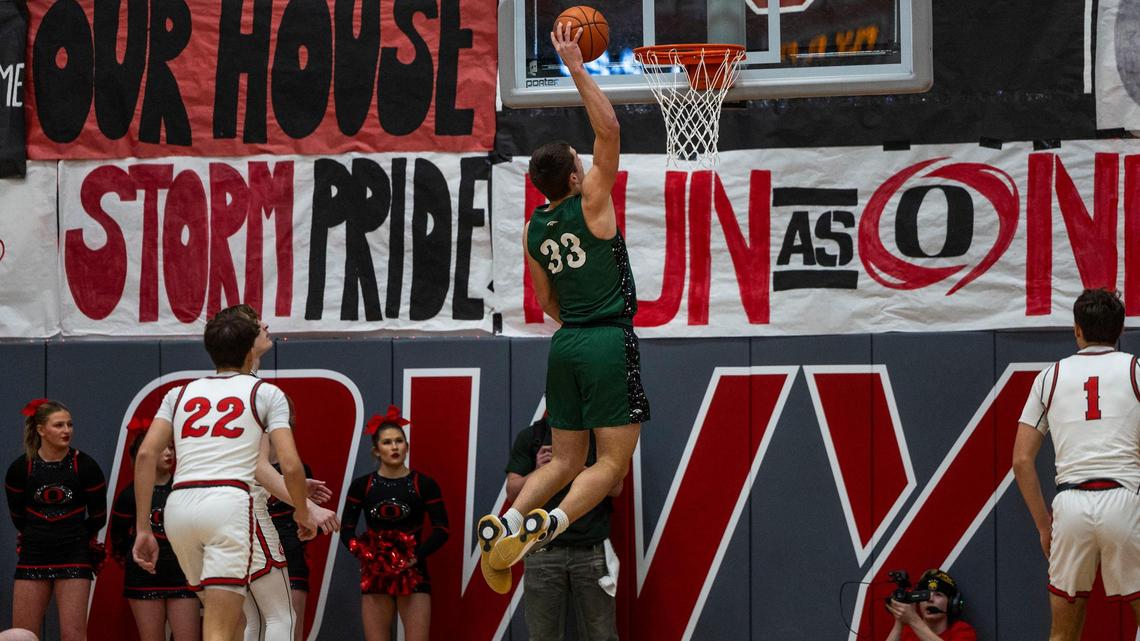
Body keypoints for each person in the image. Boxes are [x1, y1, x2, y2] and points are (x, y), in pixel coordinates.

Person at [478, 19, 649, 594]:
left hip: (566, 342)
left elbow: (545, 300)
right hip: (605, 339)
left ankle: (505, 523)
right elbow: (611, 128)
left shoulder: (534, 226)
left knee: (561, 460)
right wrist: (577, 65)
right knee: (611, 464)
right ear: (576, 175)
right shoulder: (592, 200)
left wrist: (577, 319)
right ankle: (549, 523)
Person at [132, 309, 315, 641]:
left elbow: (146, 454)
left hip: (179, 509)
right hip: (229, 505)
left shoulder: (178, 393)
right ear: (249, 348)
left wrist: (143, 528)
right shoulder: (265, 393)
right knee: (250, 622)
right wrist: (303, 512)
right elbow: (290, 464)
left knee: (232, 624)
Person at [1013, 288, 1140, 640]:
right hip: (1126, 500)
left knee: (1063, 632)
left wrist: (1043, 525)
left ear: (1077, 330)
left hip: (1069, 506)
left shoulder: (1048, 379)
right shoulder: (1136, 370)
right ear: (1120, 332)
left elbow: (1022, 460)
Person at [505, 413, 622, 641]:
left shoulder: (599, 437)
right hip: (541, 551)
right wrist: (540, 471)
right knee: (542, 637)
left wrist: (574, 468)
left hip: (591, 551)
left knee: (602, 635)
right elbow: (512, 492)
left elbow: (616, 487)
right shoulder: (533, 437)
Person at [340, 409, 449, 641]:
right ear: (376, 450)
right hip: (376, 574)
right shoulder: (363, 486)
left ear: (407, 446)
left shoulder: (424, 484)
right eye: (387, 442)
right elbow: (347, 529)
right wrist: (365, 554)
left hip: (414, 572)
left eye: (399, 441)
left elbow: (443, 529)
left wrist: (416, 556)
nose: (394, 447)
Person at [4, 399, 107, 641]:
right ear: (41, 430)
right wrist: (41, 534)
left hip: (73, 554)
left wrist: (72, 535)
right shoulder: (21, 469)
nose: (66, 430)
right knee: (22, 634)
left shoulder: (85, 466)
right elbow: (18, 517)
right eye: (59, 425)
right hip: (34, 553)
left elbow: (98, 515)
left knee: (73, 634)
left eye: (69, 425)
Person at [109, 430, 199, 641]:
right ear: (145, 453)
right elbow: (118, 538)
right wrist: (140, 562)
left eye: (171, 448)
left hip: (183, 576)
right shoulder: (130, 494)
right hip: (145, 578)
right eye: (162, 449)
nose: (169, 453)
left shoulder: (184, 488)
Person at [267, 459, 316, 641]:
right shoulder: (247, 465)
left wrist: (309, 523)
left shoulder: (299, 469)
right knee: (254, 626)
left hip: (292, 560)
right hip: (255, 560)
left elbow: (308, 524)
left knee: (292, 628)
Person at [883, 569, 975, 641]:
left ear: (952, 603)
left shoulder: (962, 631)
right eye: (924, 595)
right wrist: (899, 622)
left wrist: (913, 620)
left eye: (938, 595)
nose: (930, 599)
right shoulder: (908, 633)